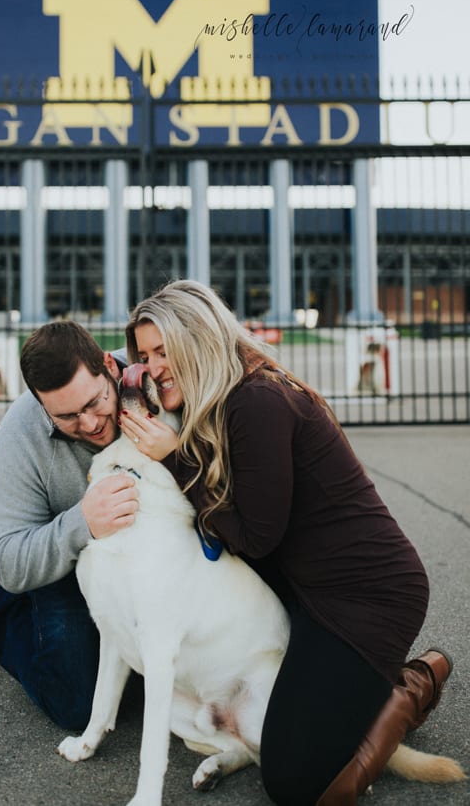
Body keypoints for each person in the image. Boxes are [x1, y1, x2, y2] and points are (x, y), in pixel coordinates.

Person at [119, 279, 451, 805]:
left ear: (199, 340)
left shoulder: (255, 401)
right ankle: (367, 693)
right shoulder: (219, 399)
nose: (153, 367)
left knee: (294, 782)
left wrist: (174, 457)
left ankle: (405, 694)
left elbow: (255, 535)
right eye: (144, 355)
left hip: (367, 597)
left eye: (164, 351)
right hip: (307, 594)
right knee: (282, 734)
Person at [0, 320, 141, 730]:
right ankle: (1, 623)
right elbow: (9, 560)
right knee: (80, 705)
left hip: (145, 557)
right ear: (39, 403)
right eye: (67, 416)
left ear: (109, 366)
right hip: (65, 565)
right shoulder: (20, 431)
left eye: (94, 403)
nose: (89, 424)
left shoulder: (147, 381)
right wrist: (83, 521)